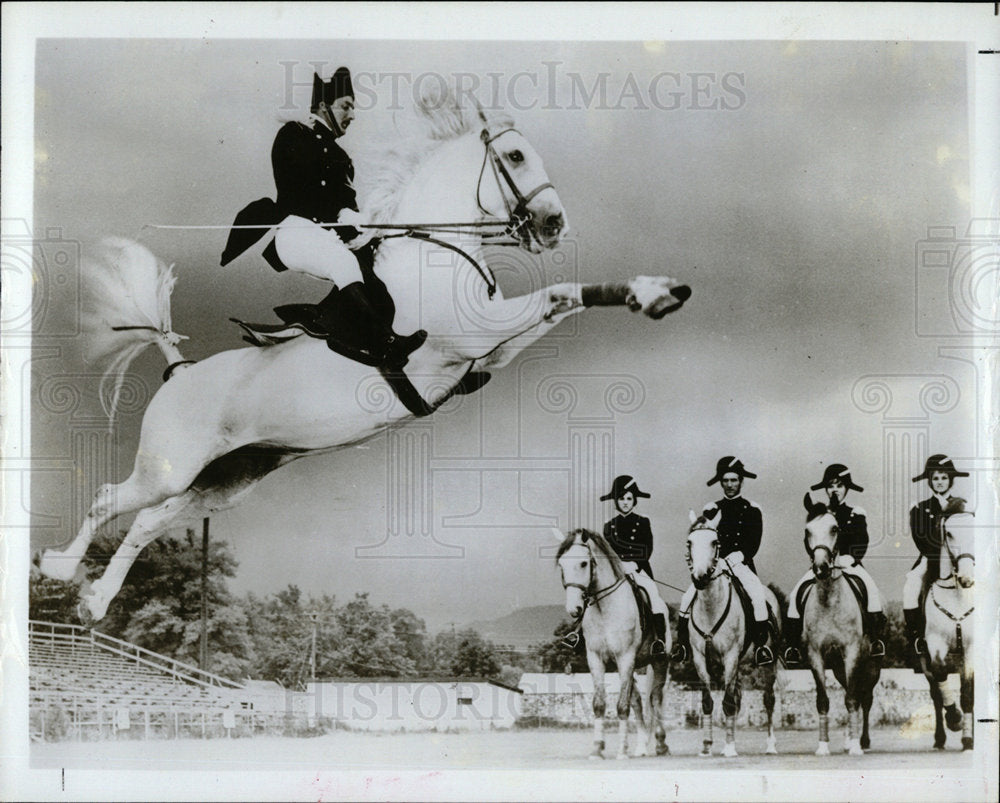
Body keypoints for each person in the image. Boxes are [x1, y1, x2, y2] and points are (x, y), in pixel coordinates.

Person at [221, 66, 426, 368]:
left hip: (328, 236)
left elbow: (346, 202)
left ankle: (337, 325)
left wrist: (361, 224)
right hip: (296, 231)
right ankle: (386, 342)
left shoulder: (342, 157)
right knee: (342, 262)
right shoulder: (295, 134)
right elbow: (302, 190)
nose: (352, 115)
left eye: (352, 107)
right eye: (346, 106)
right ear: (322, 107)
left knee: (378, 274)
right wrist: (341, 214)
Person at [672, 457, 774, 667]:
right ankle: (682, 645)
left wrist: (741, 555)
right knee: (687, 598)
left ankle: (761, 647)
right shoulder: (712, 509)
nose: (729, 484)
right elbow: (703, 537)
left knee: (757, 594)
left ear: (741, 481)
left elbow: (754, 541)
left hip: (740, 564)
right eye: (725, 480)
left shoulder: (752, 508)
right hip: (716, 566)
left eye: (734, 480)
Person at [783, 464, 886, 666]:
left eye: (839, 485)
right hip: (823, 565)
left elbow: (862, 539)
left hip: (848, 563)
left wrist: (852, 558)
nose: (835, 490)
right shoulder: (818, 513)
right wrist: (816, 558)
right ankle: (793, 647)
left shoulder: (855, 512)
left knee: (872, 592)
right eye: (831, 486)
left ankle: (875, 640)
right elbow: (809, 539)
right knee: (795, 595)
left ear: (846, 488)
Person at [562, 475, 670, 656]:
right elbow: (608, 553)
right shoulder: (609, 526)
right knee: (592, 597)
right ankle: (578, 634)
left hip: (639, 569)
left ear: (634, 500)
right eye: (621, 499)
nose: (625, 502)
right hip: (616, 572)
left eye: (629, 498)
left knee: (653, 596)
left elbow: (647, 548)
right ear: (616, 502)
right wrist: (618, 566)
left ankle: (659, 640)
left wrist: (634, 563)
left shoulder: (643, 522)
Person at [902, 454, 969, 670]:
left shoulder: (963, 506)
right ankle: (917, 638)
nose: (940, 481)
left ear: (950, 480)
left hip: (960, 558)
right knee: (911, 585)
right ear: (930, 481)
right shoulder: (920, 508)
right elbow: (920, 538)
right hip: (931, 558)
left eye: (944, 477)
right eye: (935, 478)